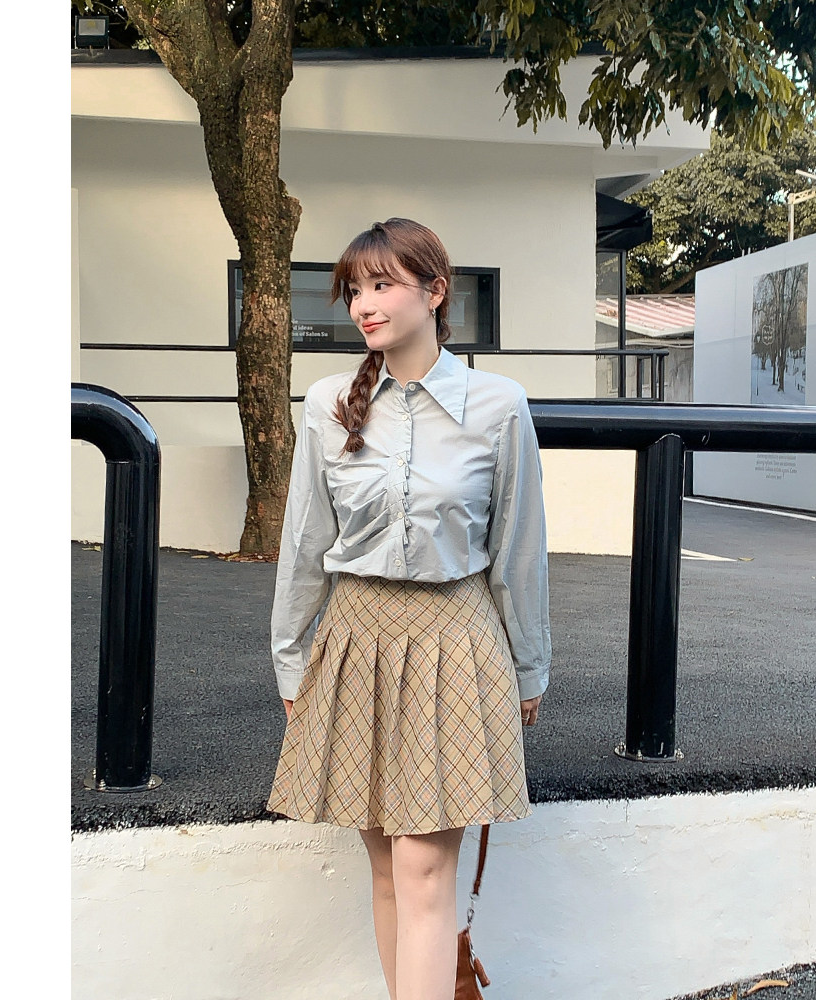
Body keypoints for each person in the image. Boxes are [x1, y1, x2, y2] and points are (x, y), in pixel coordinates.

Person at [267, 218, 551, 1000]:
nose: (363, 304)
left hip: (454, 641)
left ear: (435, 291)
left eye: (382, 285)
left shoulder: (498, 405)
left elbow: (520, 549)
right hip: (353, 641)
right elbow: (303, 543)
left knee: (425, 871)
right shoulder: (328, 403)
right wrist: (290, 658)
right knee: (389, 871)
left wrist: (529, 665)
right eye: (354, 290)